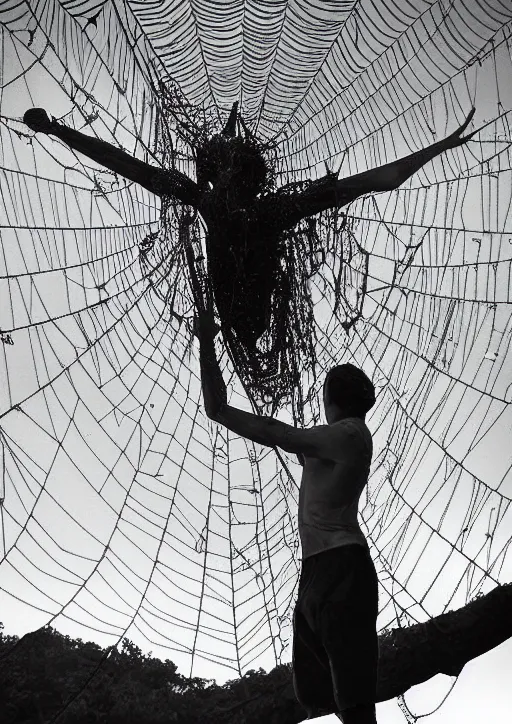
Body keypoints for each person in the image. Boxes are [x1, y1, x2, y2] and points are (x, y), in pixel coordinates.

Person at [23, 103, 480, 352]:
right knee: (247, 309)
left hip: (248, 314)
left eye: (229, 168)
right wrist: (60, 131)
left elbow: (377, 180)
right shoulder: (263, 209)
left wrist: (440, 146)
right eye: (222, 167)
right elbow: (124, 163)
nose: (225, 177)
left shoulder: (238, 207)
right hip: (247, 315)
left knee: (247, 307)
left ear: (239, 176)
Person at [188, 253, 378, 723]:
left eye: (324, 393)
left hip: (342, 566)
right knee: (316, 691)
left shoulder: (351, 433)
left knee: (353, 700)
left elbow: (284, 435)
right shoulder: (331, 442)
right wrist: (214, 345)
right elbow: (284, 435)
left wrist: (230, 410)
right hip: (316, 569)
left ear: (333, 399)